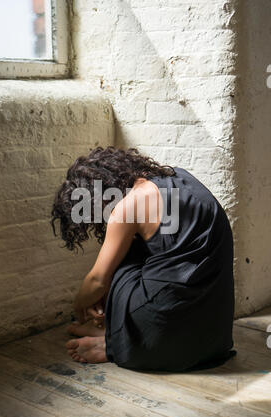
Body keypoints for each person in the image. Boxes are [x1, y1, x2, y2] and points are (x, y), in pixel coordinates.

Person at [51, 146, 235, 371]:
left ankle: (116, 340)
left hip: (164, 329)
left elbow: (97, 280)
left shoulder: (129, 206)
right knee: (137, 247)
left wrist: (80, 304)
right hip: (212, 333)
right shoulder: (178, 177)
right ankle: (114, 328)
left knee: (123, 260)